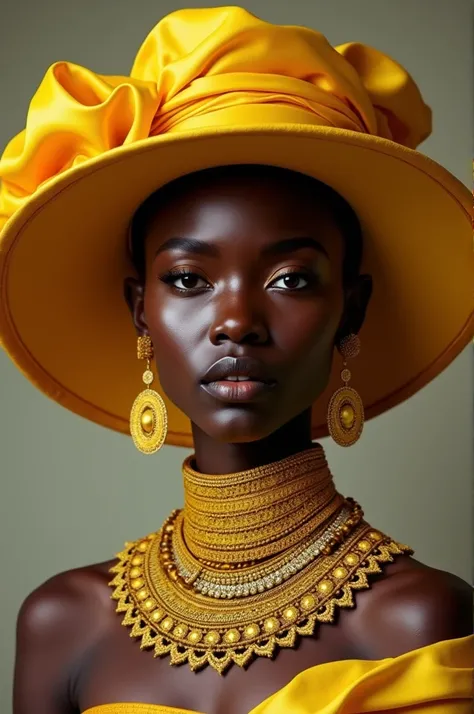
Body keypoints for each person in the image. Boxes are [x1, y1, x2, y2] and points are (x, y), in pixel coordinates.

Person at [1, 7, 473, 714]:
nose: (236, 323)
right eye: (190, 279)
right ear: (140, 310)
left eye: (291, 280)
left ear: (352, 308)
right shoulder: (61, 623)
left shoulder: (422, 619)